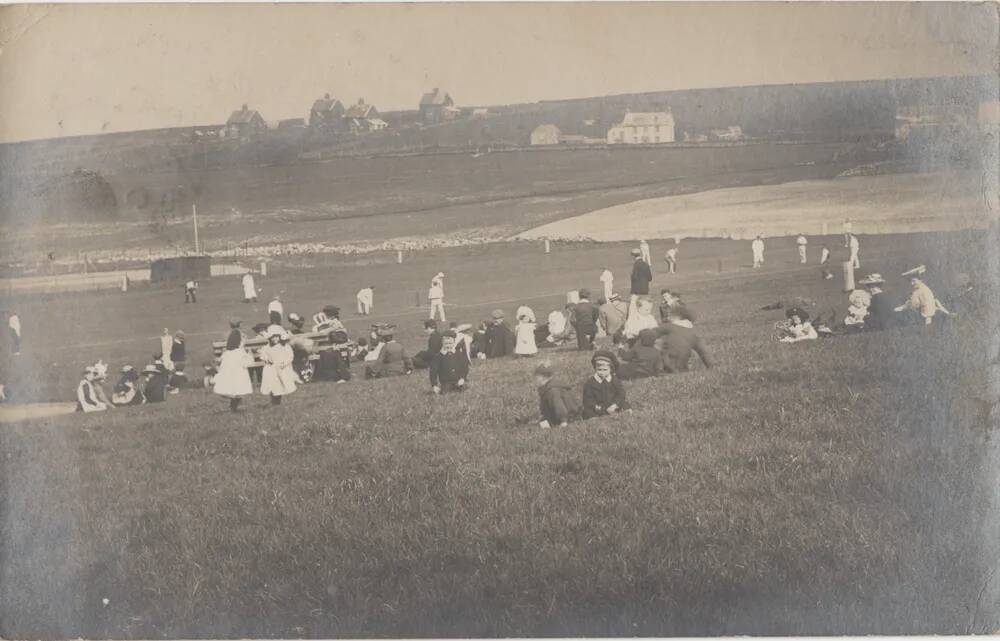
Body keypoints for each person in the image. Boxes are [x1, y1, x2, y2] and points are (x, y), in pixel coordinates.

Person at [582, 350, 629, 420]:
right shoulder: (590, 383)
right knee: (587, 412)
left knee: (624, 404)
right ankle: (595, 417)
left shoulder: (614, 380)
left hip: (613, 404)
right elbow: (588, 399)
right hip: (598, 406)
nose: (602, 372)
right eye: (599, 369)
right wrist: (597, 407)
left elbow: (621, 393)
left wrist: (615, 405)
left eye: (605, 370)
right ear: (595, 368)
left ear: (611, 369)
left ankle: (621, 411)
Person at [534, 360, 581, 429]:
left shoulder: (552, 390)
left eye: (537, 377)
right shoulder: (545, 388)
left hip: (570, 417)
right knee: (540, 424)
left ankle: (558, 421)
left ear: (543, 377)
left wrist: (563, 422)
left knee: (542, 426)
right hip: (557, 415)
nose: (535, 380)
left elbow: (558, 406)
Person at [214, 333, 254, 412]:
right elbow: (246, 364)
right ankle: (234, 404)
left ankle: (233, 407)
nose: (244, 344)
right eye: (243, 342)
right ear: (239, 343)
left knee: (230, 392)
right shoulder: (241, 352)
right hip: (238, 376)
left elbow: (221, 360)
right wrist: (250, 355)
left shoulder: (227, 352)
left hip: (228, 376)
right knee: (236, 393)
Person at [259, 326, 297, 405]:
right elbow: (263, 355)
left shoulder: (284, 346)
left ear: (280, 336)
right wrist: (266, 359)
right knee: (272, 385)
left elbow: (290, 356)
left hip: (281, 368)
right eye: (272, 337)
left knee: (280, 385)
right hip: (271, 369)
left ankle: (277, 401)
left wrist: (285, 363)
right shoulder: (267, 347)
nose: (274, 339)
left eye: (276, 337)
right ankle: (274, 401)